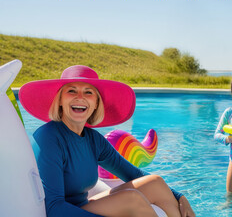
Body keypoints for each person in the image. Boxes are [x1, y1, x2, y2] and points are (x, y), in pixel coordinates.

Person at [19, 65, 195, 217]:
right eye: (71, 90)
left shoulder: (93, 139)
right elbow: (53, 209)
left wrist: (180, 196)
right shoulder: (48, 138)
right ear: (60, 100)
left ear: (96, 103)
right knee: (131, 200)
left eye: (88, 92)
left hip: (83, 206)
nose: (80, 97)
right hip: (63, 212)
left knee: (155, 182)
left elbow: (134, 174)